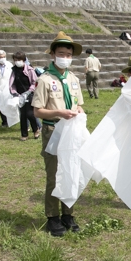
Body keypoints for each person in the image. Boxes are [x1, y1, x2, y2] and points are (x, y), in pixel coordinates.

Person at [32, 32, 84, 237]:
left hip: (72, 131)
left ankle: (68, 214)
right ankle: (52, 217)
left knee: (71, 172)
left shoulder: (73, 78)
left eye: (69, 54)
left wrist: (78, 110)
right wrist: (59, 113)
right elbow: (37, 111)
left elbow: (79, 103)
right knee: (54, 175)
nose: (65, 57)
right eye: (61, 53)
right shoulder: (45, 80)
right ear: (53, 54)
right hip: (53, 130)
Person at [10, 51, 39, 141]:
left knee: (30, 113)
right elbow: (12, 83)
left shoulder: (30, 70)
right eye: (15, 60)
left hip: (29, 93)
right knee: (23, 115)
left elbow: (34, 82)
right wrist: (15, 93)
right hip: (19, 95)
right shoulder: (14, 70)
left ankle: (36, 129)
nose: (17, 61)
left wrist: (28, 92)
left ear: (23, 60)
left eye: (19, 60)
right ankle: (24, 134)